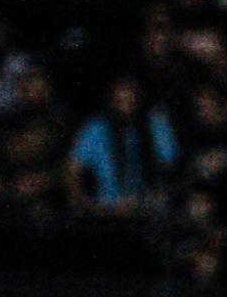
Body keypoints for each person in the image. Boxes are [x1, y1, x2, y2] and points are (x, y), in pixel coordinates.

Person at [66, 75, 179, 212]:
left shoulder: (154, 124)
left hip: (147, 208)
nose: (125, 106)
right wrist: (85, 204)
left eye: (131, 99)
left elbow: (170, 164)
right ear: (111, 101)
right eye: (120, 101)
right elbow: (73, 168)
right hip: (106, 210)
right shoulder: (96, 128)